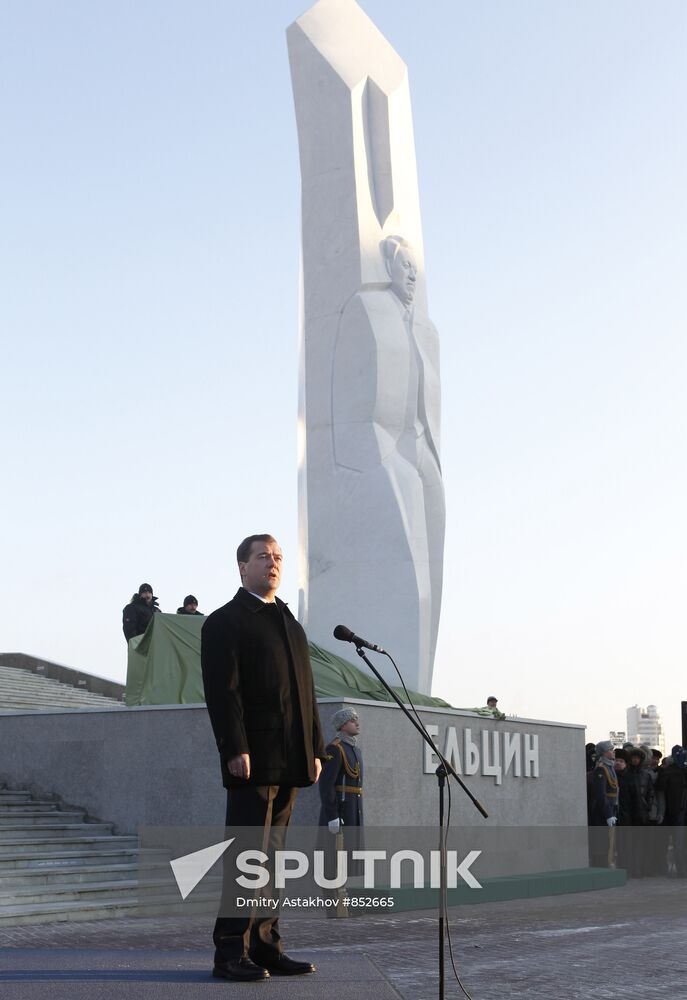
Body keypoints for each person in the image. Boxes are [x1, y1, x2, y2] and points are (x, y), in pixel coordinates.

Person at [201, 534, 325, 982]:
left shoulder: (290, 623)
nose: (272, 564)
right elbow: (222, 693)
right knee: (247, 857)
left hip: (291, 758)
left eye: (277, 558)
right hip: (251, 759)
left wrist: (316, 748)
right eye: (262, 557)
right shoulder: (225, 622)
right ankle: (230, 952)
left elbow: (308, 694)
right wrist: (235, 747)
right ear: (241, 567)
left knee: (273, 858)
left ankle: (267, 946)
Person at [318, 707, 363, 835]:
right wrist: (332, 815)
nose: (357, 724)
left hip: (354, 811)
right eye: (353, 721)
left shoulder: (355, 750)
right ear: (343, 725)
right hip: (341, 811)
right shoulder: (335, 749)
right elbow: (326, 785)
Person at [587, 740, 618, 867]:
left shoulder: (610, 767)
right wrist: (608, 814)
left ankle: (607, 864)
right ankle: (601, 867)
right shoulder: (601, 769)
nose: (613, 752)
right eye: (610, 749)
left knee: (609, 842)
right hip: (602, 812)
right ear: (603, 753)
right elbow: (601, 795)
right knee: (601, 843)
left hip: (611, 808)